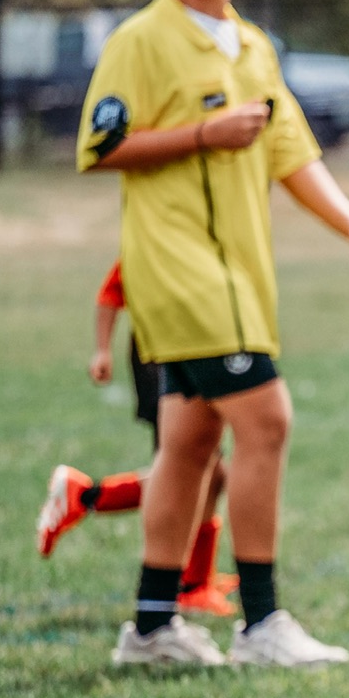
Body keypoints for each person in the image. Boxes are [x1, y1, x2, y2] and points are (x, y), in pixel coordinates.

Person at [75, 0, 349, 668]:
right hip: (179, 271)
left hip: (242, 274)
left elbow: (293, 154)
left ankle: (152, 629)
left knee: (188, 444)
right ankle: (261, 622)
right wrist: (201, 135)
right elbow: (101, 145)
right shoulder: (141, 41)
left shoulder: (253, 46)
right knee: (268, 420)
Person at [36, 260, 237, 617]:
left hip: (195, 349)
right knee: (186, 471)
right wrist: (102, 350)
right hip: (161, 357)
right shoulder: (154, 239)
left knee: (211, 472)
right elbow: (110, 293)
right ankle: (84, 496)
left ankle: (197, 580)